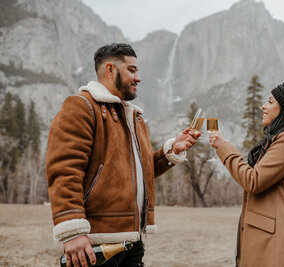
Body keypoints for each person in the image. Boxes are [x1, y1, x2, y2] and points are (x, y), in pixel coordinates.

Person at [46, 43, 200, 267]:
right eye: (132, 70)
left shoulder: (133, 118)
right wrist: (72, 231)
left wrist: (173, 150)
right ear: (110, 69)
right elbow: (64, 170)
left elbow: (139, 171)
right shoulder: (81, 107)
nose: (138, 78)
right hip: (96, 242)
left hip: (132, 242)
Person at [209, 82, 284, 267]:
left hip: (281, 242)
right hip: (277, 238)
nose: (263, 106)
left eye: (270, 102)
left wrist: (224, 148)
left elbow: (253, 181)